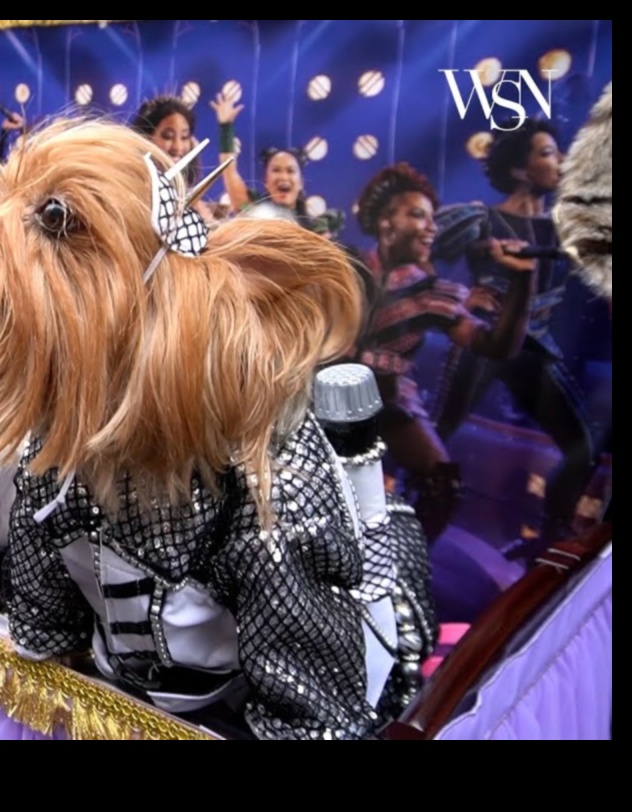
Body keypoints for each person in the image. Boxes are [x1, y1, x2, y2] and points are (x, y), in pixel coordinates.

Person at [434, 119, 599, 559]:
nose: (560, 161)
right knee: (435, 437)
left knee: (581, 450)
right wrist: (461, 295)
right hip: (486, 340)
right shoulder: (480, 219)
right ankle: (409, 523)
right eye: (547, 153)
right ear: (522, 169)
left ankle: (550, 544)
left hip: (536, 345)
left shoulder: (567, 228)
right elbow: (413, 259)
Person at [350, 163, 536, 543]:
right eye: (417, 215)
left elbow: (495, 346)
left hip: (386, 399)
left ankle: (402, 563)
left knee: (441, 484)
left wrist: (523, 279)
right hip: (324, 396)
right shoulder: (345, 268)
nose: (431, 227)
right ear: (387, 223)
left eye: (433, 218)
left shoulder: (431, 292)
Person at [211, 90, 345, 239]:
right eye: (276, 170)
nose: (283, 176)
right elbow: (230, 172)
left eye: (290, 170)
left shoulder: (313, 232)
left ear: (300, 183)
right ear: (266, 181)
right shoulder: (253, 212)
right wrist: (225, 127)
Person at [130, 94, 218, 222]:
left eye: (184, 137)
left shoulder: (188, 196)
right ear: (146, 138)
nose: (178, 147)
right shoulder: (130, 189)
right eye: (168, 136)